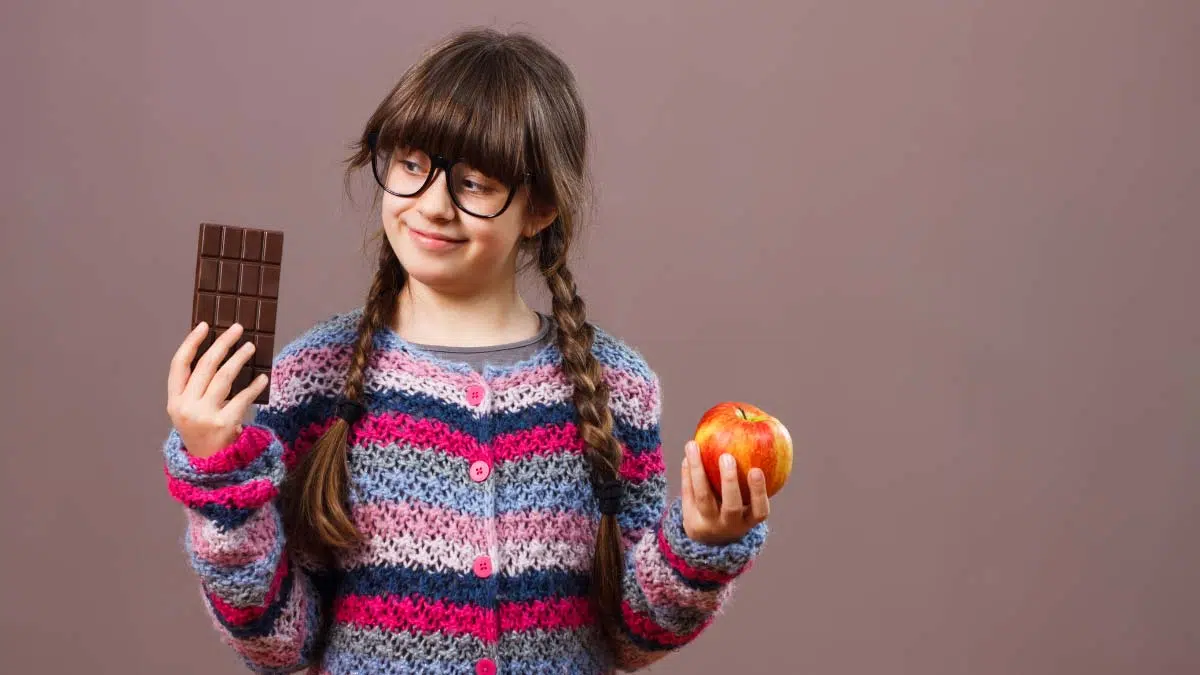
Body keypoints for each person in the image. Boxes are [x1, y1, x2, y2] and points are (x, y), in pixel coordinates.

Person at [162, 27, 771, 674]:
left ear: (539, 208)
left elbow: (632, 636)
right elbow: (280, 645)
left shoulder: (617, 387)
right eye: (412, 165)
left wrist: (700, 544)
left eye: (475, 183)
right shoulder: (317, 377)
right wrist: (218, 475)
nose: (432, 205)